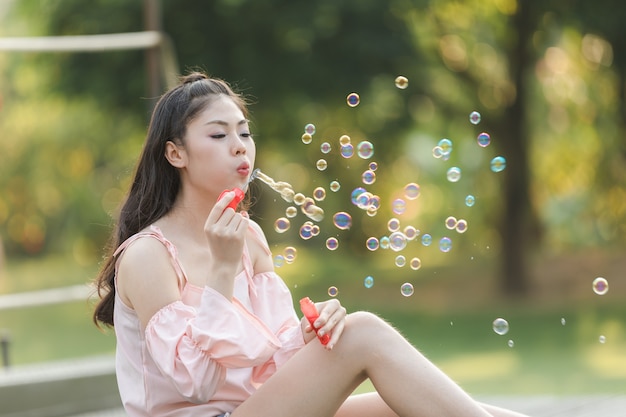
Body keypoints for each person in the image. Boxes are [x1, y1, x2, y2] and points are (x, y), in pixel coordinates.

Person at [93, 71, 531, 417]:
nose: (240, 148)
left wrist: (303, 339)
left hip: (259, 409)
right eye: (218, 135)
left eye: (244, 133)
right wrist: (223, 272)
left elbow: (270, 369)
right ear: (175, 154)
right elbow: (199, 384)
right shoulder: (147, 256)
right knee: (363, 333)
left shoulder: (248, 238)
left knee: (409, 403)